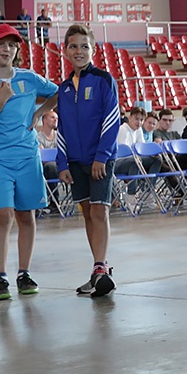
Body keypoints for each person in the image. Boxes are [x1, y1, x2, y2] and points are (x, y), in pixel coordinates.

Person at [0, 24, 58, 300]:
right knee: (4, 215)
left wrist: (40, 112)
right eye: (0, 44)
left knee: (26, 215)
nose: (6, 49)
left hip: (28, 158)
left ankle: (24, 273)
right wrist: (1, 101)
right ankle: (0, 277)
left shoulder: (29, 78)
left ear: (17, 49)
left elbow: (59, 92)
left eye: (11, 44)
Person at [56, 24, 120, 297]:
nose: (79, 51)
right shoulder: (64, 88)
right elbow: (62, 128)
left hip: (99, 160)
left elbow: (112, 119)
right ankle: (99, 269)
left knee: (99, 211)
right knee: (86, 213)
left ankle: (99, 268)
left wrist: (101, 156)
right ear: (65, 51)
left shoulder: (104, 80)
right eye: (73, 46)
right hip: (74, 160)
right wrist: (61, 163)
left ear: (93, 50)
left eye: (84, 46)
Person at [114, 106, 162, 209]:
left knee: (157, 159)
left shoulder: (139, 130)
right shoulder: (123, 129)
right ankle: (131, 195)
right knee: (135, 161)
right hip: (119, 162)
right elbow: (124, 153)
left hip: (134, 160)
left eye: (141, 120)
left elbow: (143, 149)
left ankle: (149, 192)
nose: (139, 122)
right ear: (130, 117)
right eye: (136, 119)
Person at [36, 109, 60, 215]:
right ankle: (54, 201)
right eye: (52, 117)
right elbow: (43, 157)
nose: (55, 120)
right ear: (44, 120)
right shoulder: (38, 137)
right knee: (51, 166)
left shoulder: (59, 136)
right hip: (45, 169)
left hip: (60, 166)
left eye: (57, 118)